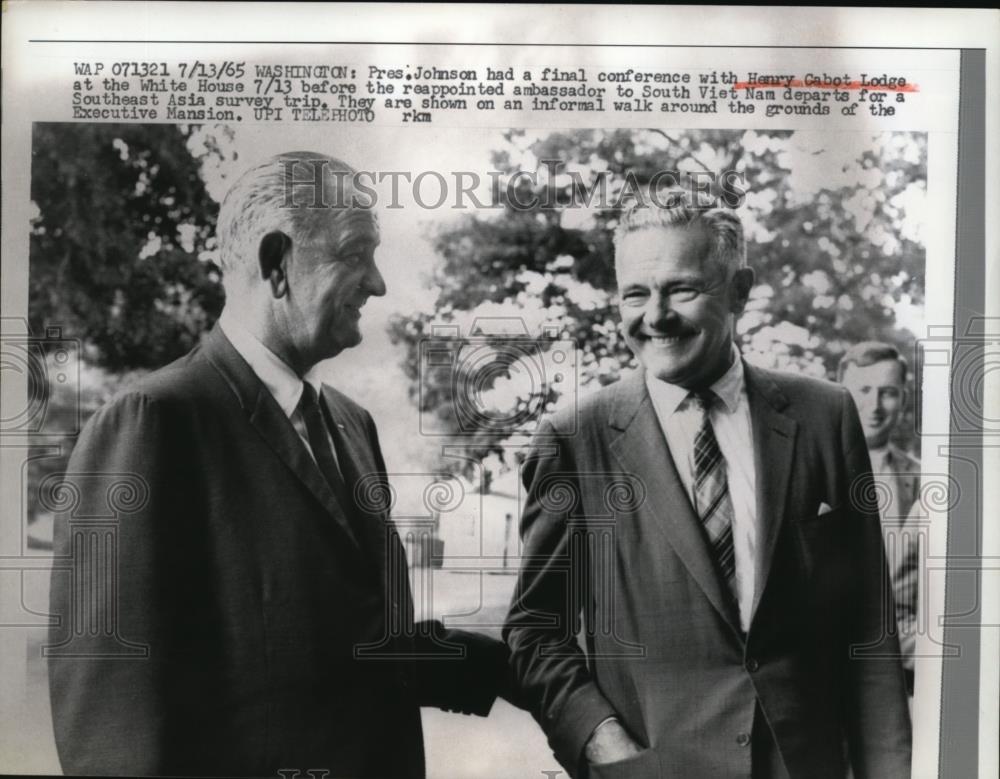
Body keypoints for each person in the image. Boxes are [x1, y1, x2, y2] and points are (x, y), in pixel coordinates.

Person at [48, 152, 509, 777]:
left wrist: (521, 667)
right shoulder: (155, 422)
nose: (377, 284)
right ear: (276, 263)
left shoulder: (351, 424)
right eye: (355, 254)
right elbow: (114, 724)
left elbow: (362, 646)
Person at [503, 204, 912, 778]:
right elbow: (535, 629)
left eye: (681, 290)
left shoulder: (825, 415)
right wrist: (602, 741)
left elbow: (867, 627)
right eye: (634, 294)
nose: (655, 316)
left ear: (739, 290)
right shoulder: (575, 440)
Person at [838, 341, 922, 694]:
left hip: (902, 672)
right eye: (864, 390)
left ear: (903, 399)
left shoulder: (924, 482)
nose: (874, 406)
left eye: (887, 393)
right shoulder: (806, 468)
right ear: (840, 393)